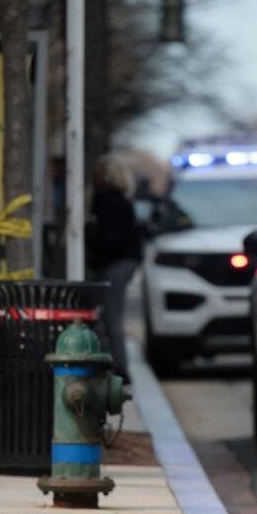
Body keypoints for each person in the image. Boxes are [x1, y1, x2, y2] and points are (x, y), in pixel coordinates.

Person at [86, 156, 143, 384]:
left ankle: (121, 368)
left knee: (112, 316)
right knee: (109, 316)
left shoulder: (110, 203)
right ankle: (115, 363)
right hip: (120, 262)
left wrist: (90, 232)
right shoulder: (118, 201)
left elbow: (110, 240)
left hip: (116, 263)